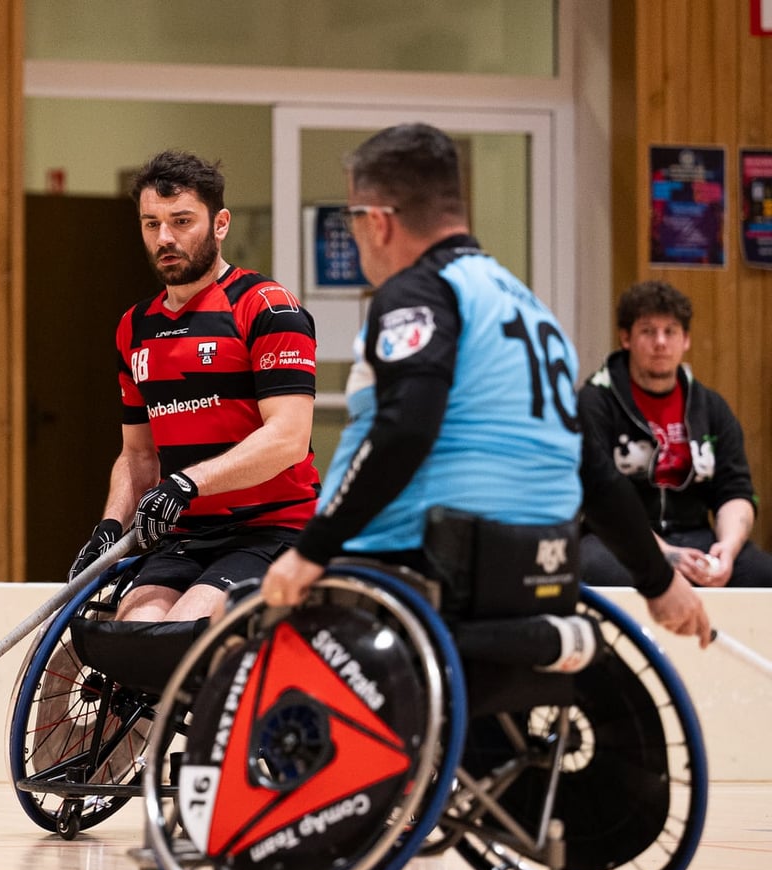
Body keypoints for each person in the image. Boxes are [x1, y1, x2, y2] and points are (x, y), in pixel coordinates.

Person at [260, 122, 710, 647]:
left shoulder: (419, 291)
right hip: (536, 563)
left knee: (242, 619)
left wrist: (312, 550)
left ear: (378, 222)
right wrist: (657, 581)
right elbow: (592, 468)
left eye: (352, 218)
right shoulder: (528, 306)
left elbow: (405, 428)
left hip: (423, 562)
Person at [68, 149, 320, 624]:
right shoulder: (134, 327)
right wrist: (110, 526)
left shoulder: (266, 306)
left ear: (220, 224)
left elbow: (288, 437)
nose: (165, 238)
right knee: (132, 635)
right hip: (185, 537)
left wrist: (187, 483)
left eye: (181, 221)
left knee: (180, 632)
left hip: (271, 531)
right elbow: (138, 455)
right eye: (152, 224)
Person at [578, 280, 772, 588]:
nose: (660, 342)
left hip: (695, 534)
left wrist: (727, 549)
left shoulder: (711, 406)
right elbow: (597, 495)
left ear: (686, 340)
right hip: (615, 538)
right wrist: (663, 555)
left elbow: (735, 490)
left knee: (763, 574)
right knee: (599, 570)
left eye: (670, 331)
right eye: (648, 331)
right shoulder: (594, 402)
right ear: (626, 338)